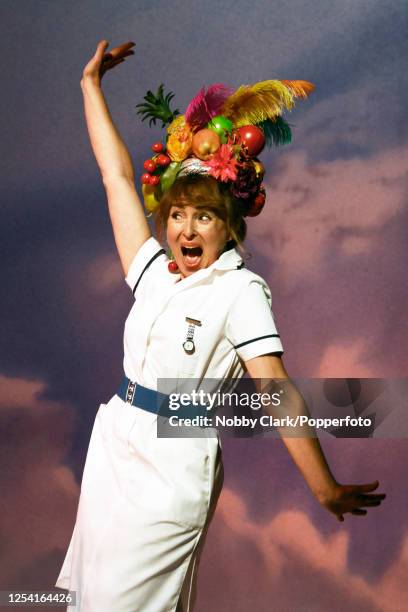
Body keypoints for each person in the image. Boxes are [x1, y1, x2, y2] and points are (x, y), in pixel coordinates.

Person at [55, 41, 386, 611]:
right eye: (177, 214)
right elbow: (115, 178)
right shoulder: (156, 274)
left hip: (171, 468)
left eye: (203, 215)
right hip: (115, 451)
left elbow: (277, 393)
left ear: (229, 223)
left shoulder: (240, 291)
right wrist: (90, 86)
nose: (185, 228)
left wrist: (323, 486)